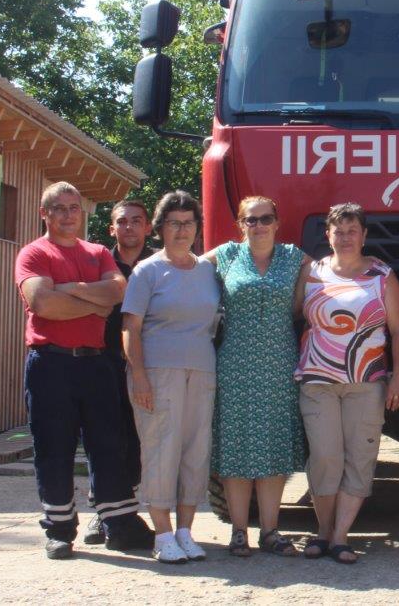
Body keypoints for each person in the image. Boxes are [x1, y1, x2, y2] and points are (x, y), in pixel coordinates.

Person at [14, 181, 152, 560]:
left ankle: (119, 524)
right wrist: (92, 299)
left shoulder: (96, 253)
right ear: (45, 213)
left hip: (97, 362)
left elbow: (116, 295)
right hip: (51, 363)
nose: (68, 214)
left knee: (109, 445)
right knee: (54, 448)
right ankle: (59, 530)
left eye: (74, 208)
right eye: (59, 208)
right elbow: (43, 303)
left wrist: (69, 289)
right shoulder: (33, 253)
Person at [294, 203, 399, 564]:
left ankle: (341, 536)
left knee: (359, 458)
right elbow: (296, 316)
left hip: (367, 382)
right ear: (328, 235)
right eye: (338, 231)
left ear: (363, 235)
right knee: (326, 458)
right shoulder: (311, 273)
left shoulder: (382, 275)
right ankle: (323, 531)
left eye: (352, 230)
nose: (345, 237)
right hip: (318, 380)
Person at [203, 196, 309, 557]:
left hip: (279, 364)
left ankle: (270, 531)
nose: (259, 225)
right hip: (233, 364)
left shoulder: (295, 258)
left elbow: (328, 277)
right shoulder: (226, 256)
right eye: (251, 220)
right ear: (240, 224)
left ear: (277, 223)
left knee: (274, 445)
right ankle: (238, 531)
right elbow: (182, 267)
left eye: (266, 219)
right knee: (236, 445)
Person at [122, 191, 221, 564]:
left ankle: (185, 531)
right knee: (160, 451)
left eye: (189, 223)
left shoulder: (208, 270)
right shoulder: (147, 271)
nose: (182, 231)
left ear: (198, 228)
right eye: (174, 223)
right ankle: (162, 534)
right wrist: (140, 377)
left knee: (195, 452)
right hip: (158, 373)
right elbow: (130, 328)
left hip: (202, 371)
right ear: (161, 227)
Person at [85, 199, 157, 545]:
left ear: (148, 227)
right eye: (122, 222)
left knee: (137, 439)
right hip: (102, 363)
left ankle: (123, 510)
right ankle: (101, 514)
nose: (129, 227)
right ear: (112, 228)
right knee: (103, 440)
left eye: (136, 221)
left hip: (147, 365)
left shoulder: (160, 265)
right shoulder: (96, 264)